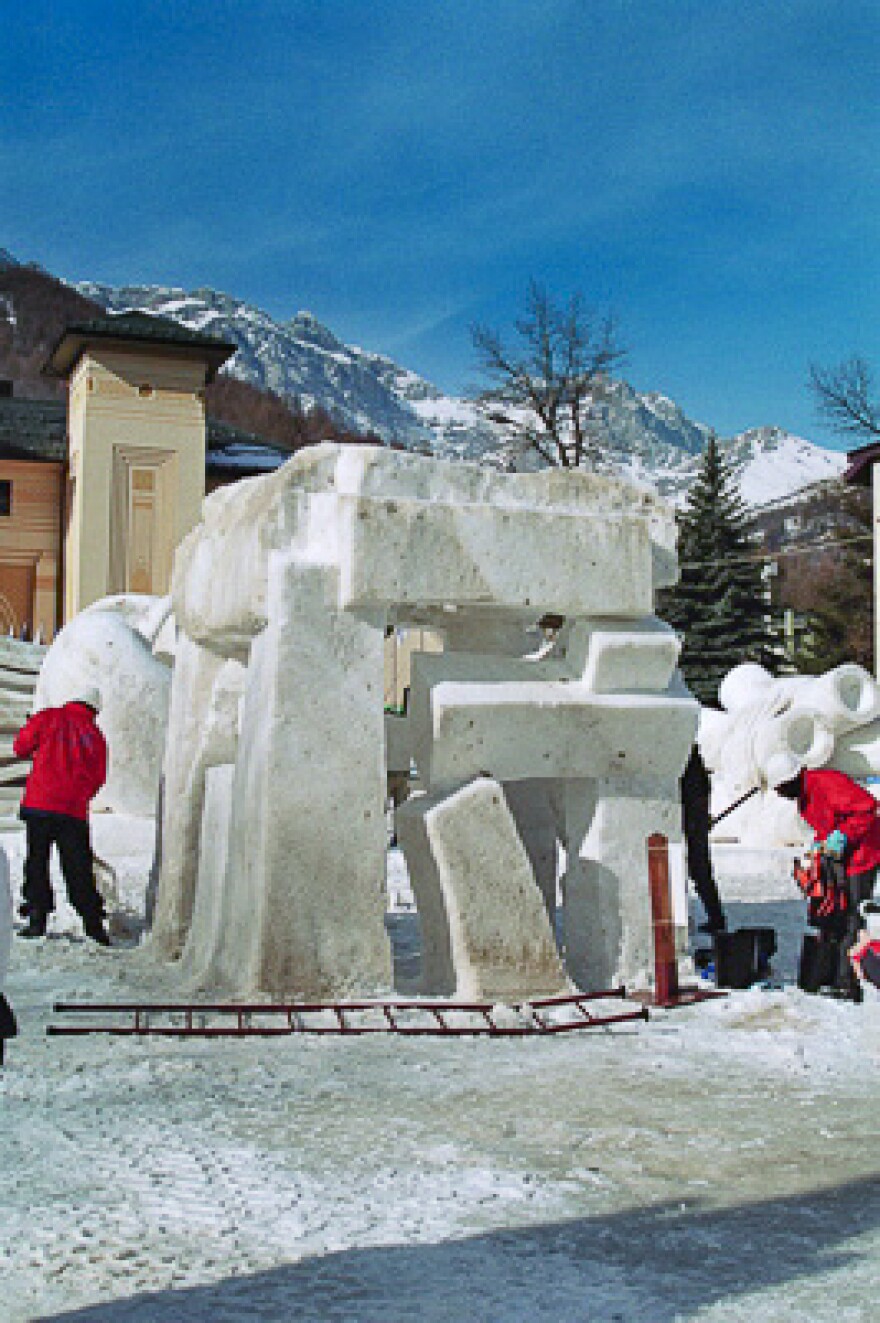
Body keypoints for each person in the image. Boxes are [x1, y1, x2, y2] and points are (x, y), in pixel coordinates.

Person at [14, 684, 110, 945]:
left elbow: (21, 747)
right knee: (78, 866)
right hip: (72, 811)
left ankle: (37, 917)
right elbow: (99, 777)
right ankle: (93, 924)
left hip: (40, 805)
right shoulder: (95, 735)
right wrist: (78, 795)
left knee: (37, 861)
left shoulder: (47, 718)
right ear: (94, 709)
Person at [776, 767, 880, 999]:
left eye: (781, 788)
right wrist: (821, 844)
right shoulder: (804, 795)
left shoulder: (825, 783)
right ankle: (832, 972)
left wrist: (843, 835)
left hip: (863, 853)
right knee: (835, 913)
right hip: (841, 856)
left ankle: (850, 980)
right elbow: (829, 821)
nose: (779, 794)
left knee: (854, 913)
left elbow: (867, 808)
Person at [680, 745, 727, 935]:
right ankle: (715, 917)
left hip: (692, 817)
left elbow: (696, 792)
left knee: (699, 868)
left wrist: (697, 819)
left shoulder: (688, 764)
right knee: (699, 868)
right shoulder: (693, 764)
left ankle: (716, 917)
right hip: (692, 817)